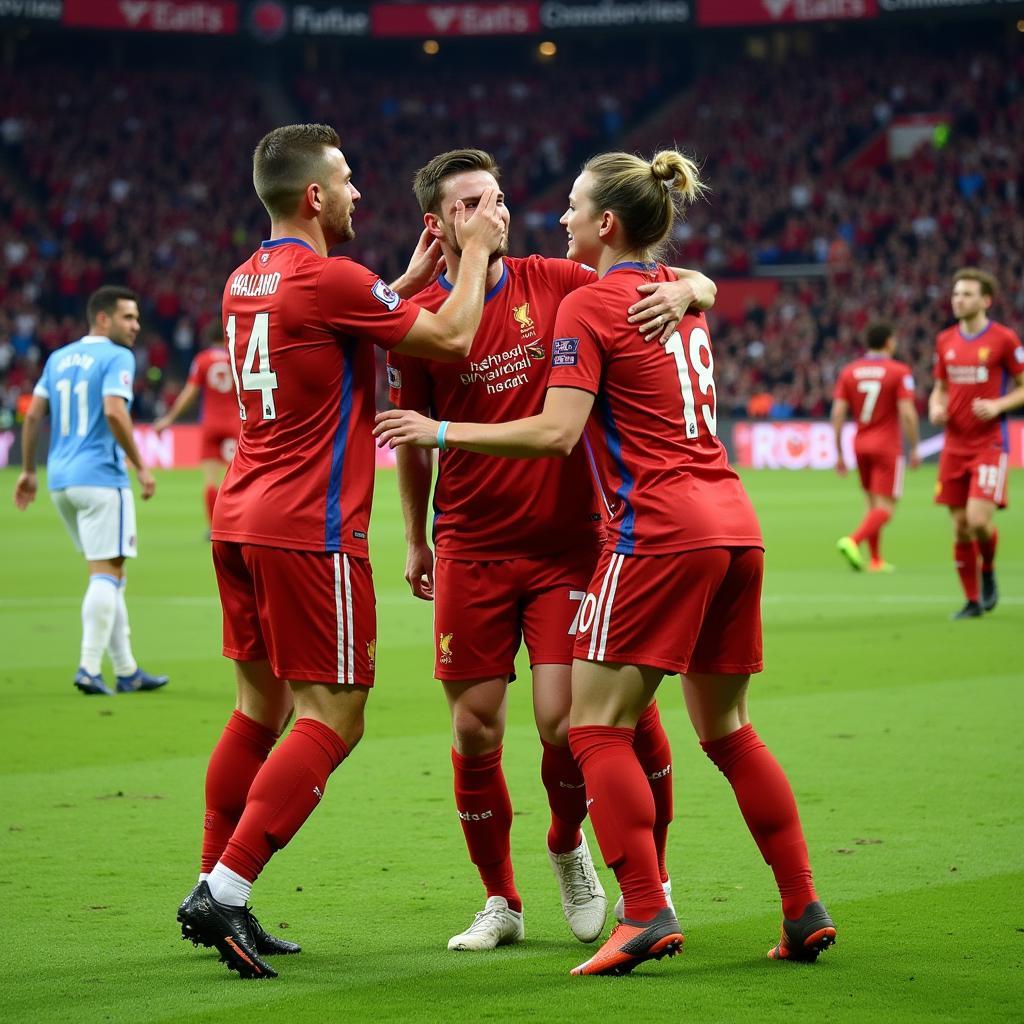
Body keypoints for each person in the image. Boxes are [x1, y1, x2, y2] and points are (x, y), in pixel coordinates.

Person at [375, 148, 835, 977]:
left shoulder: (579, 296)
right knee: (726, 730)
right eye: (474, 202)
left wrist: (439, 432)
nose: (549, 216)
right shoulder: (663, 297)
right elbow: (687, 282)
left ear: (607, 224)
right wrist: (696, 287)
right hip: (731, 517)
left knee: (588, 726)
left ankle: (646, 907)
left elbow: (556, 434)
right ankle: (803, 907)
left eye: (571, 207)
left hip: (649, 531)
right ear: (438, 223)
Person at [174, 124, 506, 980]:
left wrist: (403, 282)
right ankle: (229, 889)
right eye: (350, 180)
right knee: (337, 714)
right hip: (307, 530)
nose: (361, 192)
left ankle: (215, 888)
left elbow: (335, 325)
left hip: (241, 519)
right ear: (315, 196)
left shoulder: (246, 279)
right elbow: (453, 339)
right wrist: (470, 254)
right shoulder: (332, 279)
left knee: (258, 711)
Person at [388, 148, 716, 952]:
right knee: (474, 730)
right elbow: (411, 446)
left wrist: (694, 287)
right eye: (471, 204)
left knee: (566, 723)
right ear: (439, 224)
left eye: (497, 197)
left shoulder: (557, 281)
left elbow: (652, 276)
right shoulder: (420, 323)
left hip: (572, 543)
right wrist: (414, 536)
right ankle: (500, 901)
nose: (494, 212)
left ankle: (568, 845)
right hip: (469, 543)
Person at [13, 285, 168, 697]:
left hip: (61, 480)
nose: (136, 326)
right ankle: (88, 667)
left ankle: (127, 669)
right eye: (128, 318)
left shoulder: (58, 358)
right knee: (106, 575)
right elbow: (115, 412)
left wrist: (28, 471)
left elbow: (32, 419)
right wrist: (141, 465)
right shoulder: (117, 357)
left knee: (110, 575)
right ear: (103, 318)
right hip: (101, 478)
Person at [928, 268, 1024, 619]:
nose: (958, 300)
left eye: (966, 294)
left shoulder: (1004, 339)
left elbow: (1022, 385)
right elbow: (939, 386)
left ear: (986, 300)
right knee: (959, 526)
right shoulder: (945, 341)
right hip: (954, 444)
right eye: (956, 294)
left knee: (978, 521)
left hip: (989, 444)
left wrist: (998, 405)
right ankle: (971, 601)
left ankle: (988, 570)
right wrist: (936, 407)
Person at [832, 321, 920, 572]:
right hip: (887, 445)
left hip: (860, 443)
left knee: (871, 504)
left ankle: (876, 559)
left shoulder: (849, 371)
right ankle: (853, 540)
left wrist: (839, 453)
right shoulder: (899, 371)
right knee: (886, 508)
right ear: (889, 342)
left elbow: (838, 413)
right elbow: (908, 414)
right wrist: (914, 447)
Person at [154, 321, 240, 530]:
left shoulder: (202, 360)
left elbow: (189, 393)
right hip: (236, 425)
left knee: (211, 481)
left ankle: (215, 528)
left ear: (209, 339)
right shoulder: (237, 357)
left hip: (210, 425)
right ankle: (238, 525)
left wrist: (169, 418)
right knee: (238, 479)